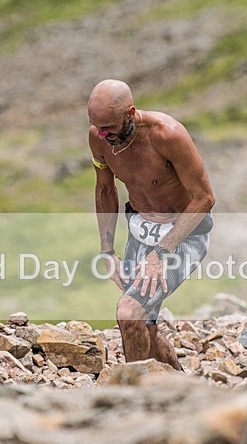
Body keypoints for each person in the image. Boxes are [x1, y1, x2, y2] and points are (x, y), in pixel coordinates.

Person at [87, 79, 215, 370]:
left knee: (129, 313)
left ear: (130, 113)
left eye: (109, 127)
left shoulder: (168, 135)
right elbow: (106, 190)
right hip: (140, 229)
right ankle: (180, 388)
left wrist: (160, 254)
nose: (103, 134)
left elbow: (205, 198)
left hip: (182, 233)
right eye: (96, 126)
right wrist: (107, 251)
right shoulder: (99, 137)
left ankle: (137, 400)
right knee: (145, 325)